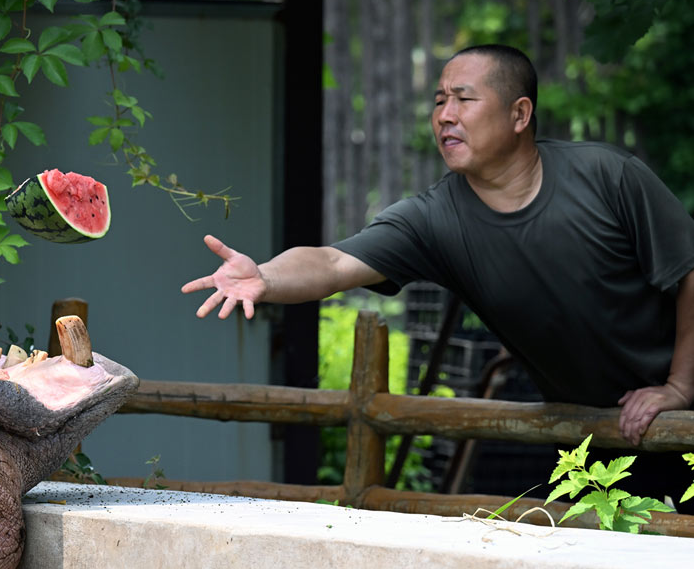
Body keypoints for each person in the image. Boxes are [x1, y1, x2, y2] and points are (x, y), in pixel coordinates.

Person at [183, 44, 694, 455]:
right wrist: (266, 278)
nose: (445, 116)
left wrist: (678, 386)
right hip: (596, 439)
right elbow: (334, 261)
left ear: (520, 114)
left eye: (464, 99)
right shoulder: (433, 219)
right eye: (438, 100)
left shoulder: (608, 177)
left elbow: (690, 270)